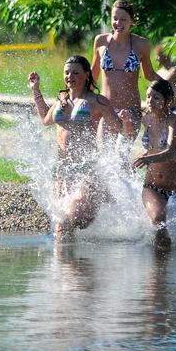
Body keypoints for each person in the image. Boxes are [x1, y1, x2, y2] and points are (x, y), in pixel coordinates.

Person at [28, 55, 125, 236]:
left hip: (86, 169)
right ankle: (66, 261)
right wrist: (35, 90)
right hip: (62, 171)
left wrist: (125, 121)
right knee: (62, 228)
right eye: (66, 72)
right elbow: (45, 119)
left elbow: (118, 127)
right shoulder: (61, 99)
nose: (69, 76)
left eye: (75, 72)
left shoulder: (97, 101)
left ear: (86, 74)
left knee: (74, 216)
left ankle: (98, 201)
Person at [132, 79, 176, 244]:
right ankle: (159, 269)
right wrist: (124, 121)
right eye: (148, 97)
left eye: (156, 98)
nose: (150, 101)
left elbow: (171, 152)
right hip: (153, 187)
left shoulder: (174, 121)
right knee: (158, 223)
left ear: (167, 101)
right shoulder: (146, 119)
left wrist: (148, 158)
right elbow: (126, 131)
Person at [90, 0, 160, 137]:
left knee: (121, 155)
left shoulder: (141, 44)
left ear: (132, 21)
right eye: (115, 19)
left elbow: (149, 74)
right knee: (104, 155)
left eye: (123, 19)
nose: (118, 23)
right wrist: (73, 98)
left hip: (130, 110)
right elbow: (93, 76)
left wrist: (172, 88)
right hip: (106, 109)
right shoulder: (101, 41)